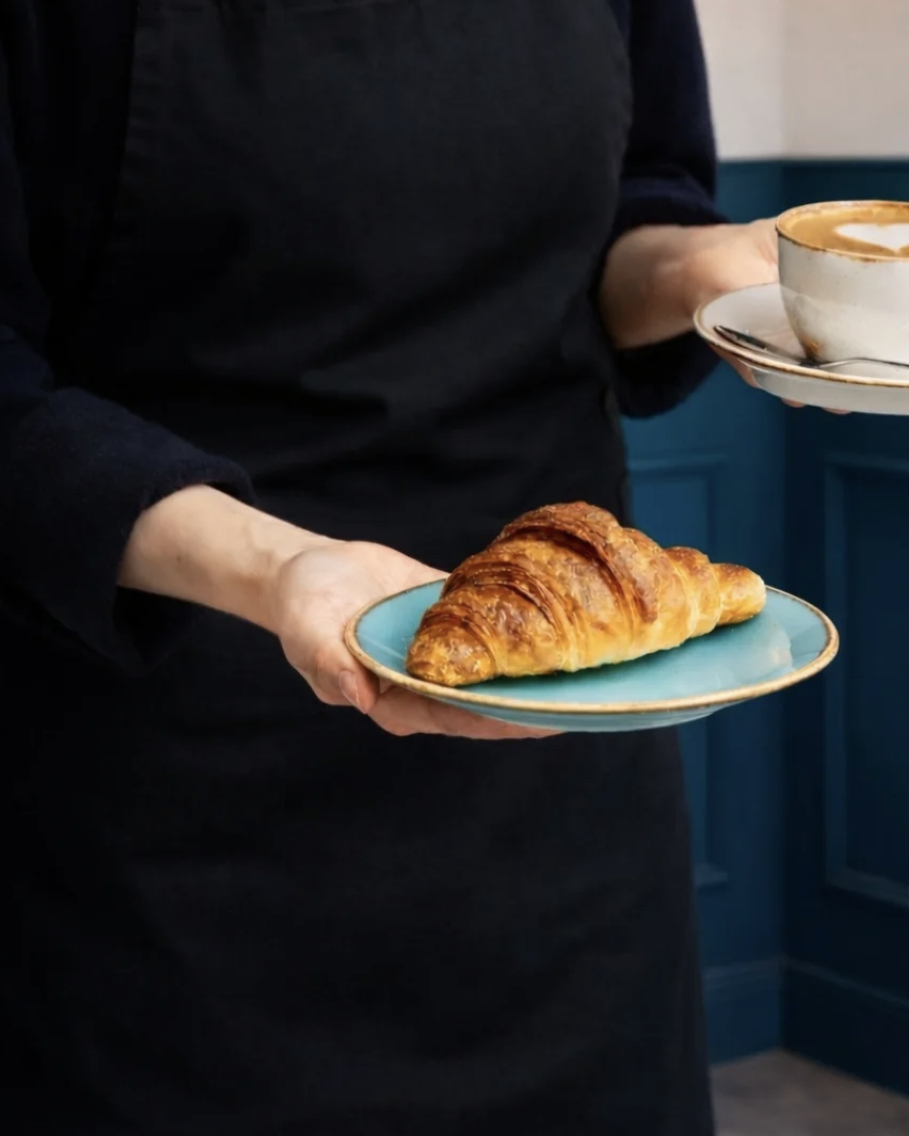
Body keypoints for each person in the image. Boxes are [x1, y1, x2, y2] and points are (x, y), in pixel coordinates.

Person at [0, 2, 779, 1133]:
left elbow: (639, 197)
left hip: (557, 783)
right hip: (178, 799)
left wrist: (703, 271)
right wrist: (276, 568)